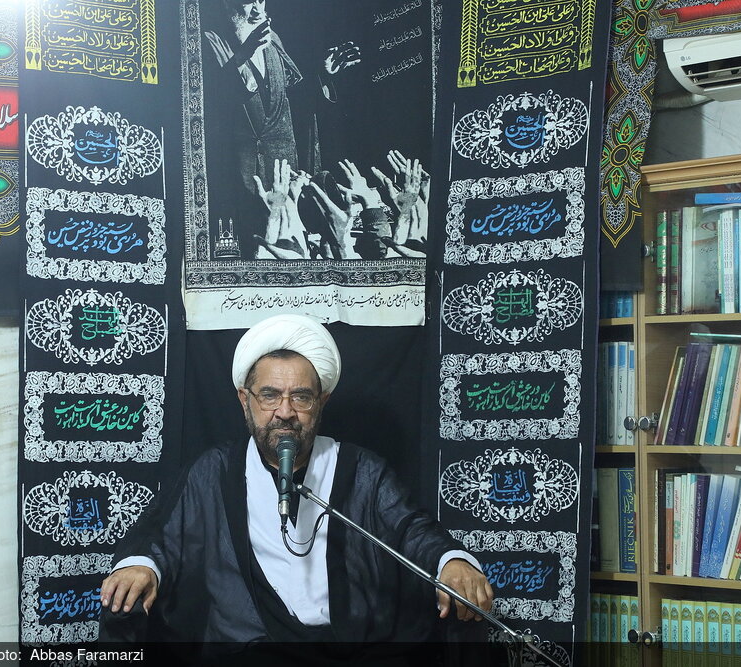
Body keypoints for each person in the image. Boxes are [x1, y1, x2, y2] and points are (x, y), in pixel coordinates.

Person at [100, 314, 493, 661]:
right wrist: (141, 566)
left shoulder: (360, 469)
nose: (284, 412)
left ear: (321, 402)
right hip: (250, 649)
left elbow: (411, 528)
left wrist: (451, 562)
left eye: (301, 397)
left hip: (347, 647)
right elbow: (162, 534)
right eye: (269, 395)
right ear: (245, 400)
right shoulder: (215, 470)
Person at [201, 0, 360, 259]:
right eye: (247, 2)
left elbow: (290, 100)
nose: (258, 10)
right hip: (239, 178)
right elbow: (209, 103)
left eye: (261, 0)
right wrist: (243, 54)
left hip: (282, 172)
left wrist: (322, 75)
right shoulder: (211, 41)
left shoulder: (272, 40)